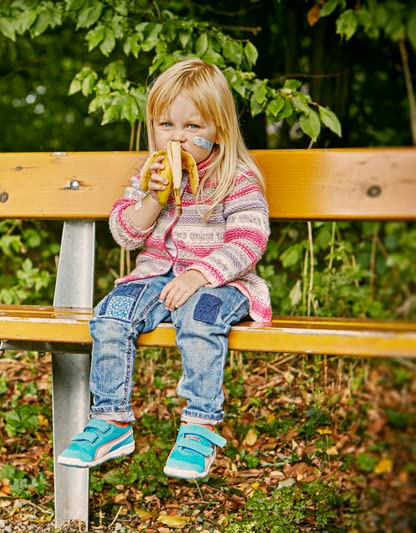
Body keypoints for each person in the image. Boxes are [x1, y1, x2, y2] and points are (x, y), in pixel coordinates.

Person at [57, 58, 272, 480]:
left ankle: (199, 425)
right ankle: (111, 420)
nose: (178, 137)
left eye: (194, 127)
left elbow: (249, 241)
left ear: (219, 131)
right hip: (156, 274)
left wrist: (199, 275)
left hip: (221, 280)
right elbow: (125, 233)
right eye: (166, 125)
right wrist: (153, 198)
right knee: (112, 313)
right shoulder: (151, 174)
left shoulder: (236, 177)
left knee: (198, 317)